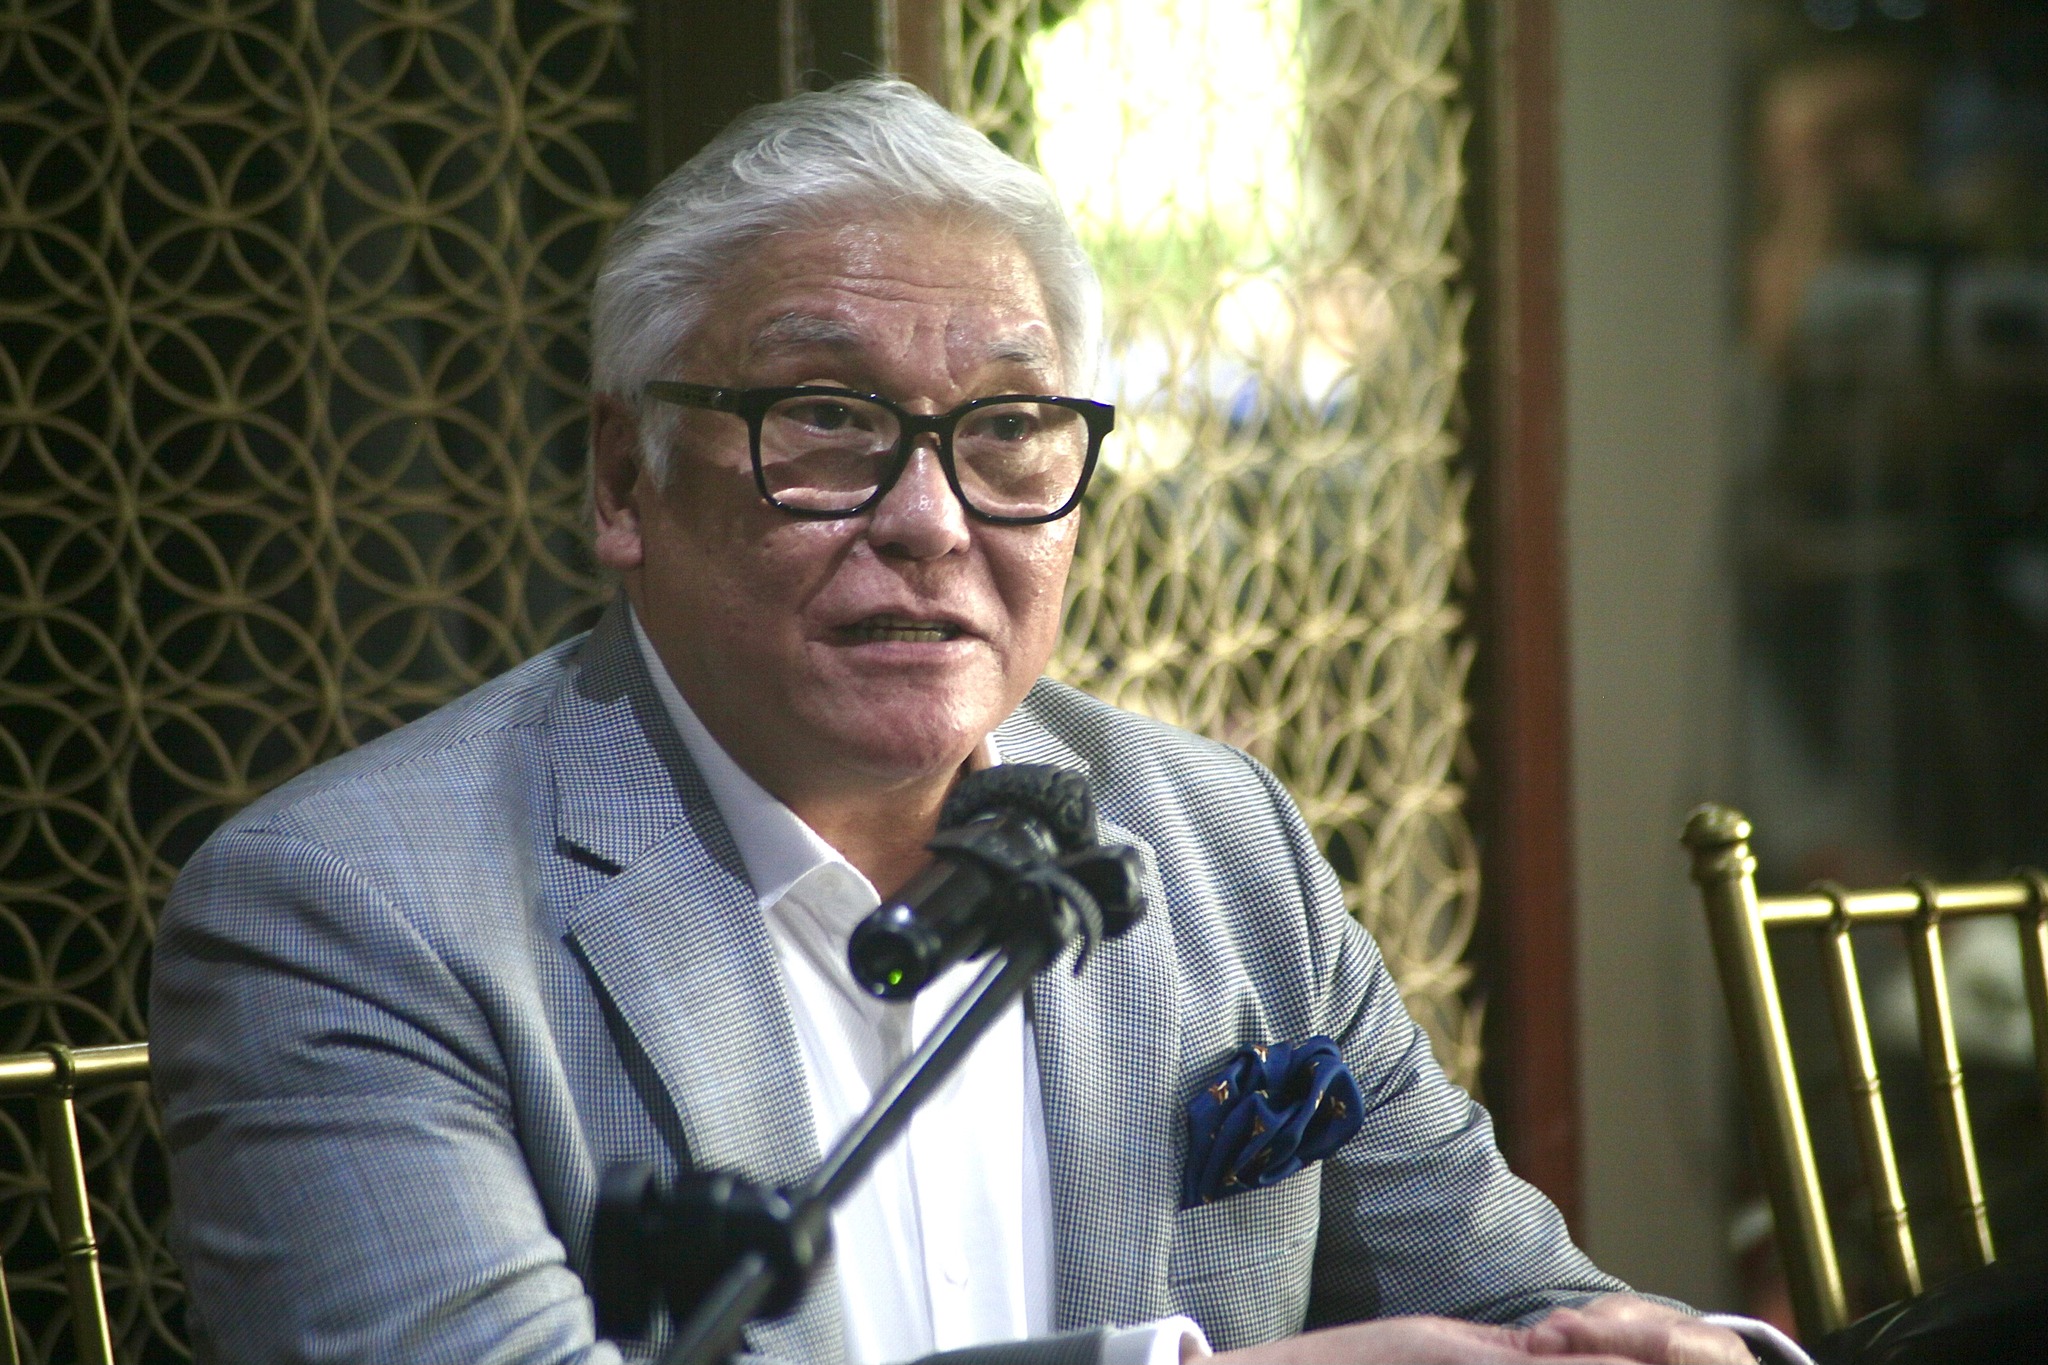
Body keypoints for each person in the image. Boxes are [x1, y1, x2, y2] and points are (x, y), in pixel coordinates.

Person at [152, 80, 1786, 1365]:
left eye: (1008, 429)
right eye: (826, 418)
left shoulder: (1216, 839)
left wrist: (1680, 1350)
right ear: (621, 479)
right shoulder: (354, 911)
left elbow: (1525, 1305)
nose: (932, 518)